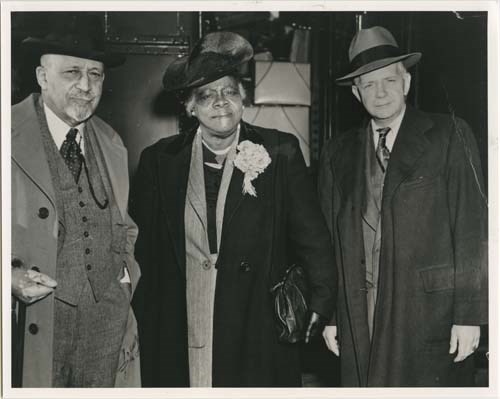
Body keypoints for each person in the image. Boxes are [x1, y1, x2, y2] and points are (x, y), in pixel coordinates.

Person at [130, 31, 337, 387]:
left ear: (243, 98)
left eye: (228, 91)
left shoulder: (279, 150)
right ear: (189, 106)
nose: (220, 102)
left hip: (256, 321)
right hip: (183, 316)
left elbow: (311, 235)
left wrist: (323, 300)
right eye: (206, 95)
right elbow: (144, 249)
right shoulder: (159, 160)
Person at [318, 26, 487, 387]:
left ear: (406, 83)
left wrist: (470, 315)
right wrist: (333, 315)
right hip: (359, 312)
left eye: (389, 81)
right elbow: (329, 240)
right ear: (355, 92)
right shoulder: (336, 152)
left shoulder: (449, 134)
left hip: (428, 313)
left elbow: (473, 228)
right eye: (369, 84)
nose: (380, 93)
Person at [11, 14, 141, 387]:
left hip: (107, 325)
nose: (86, 86)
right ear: (42, 77)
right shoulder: (9, 133)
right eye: (72, 73)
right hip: (38, 322)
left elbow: (125, 224)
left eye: (95, 75)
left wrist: (125, 276)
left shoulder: (111, 141)